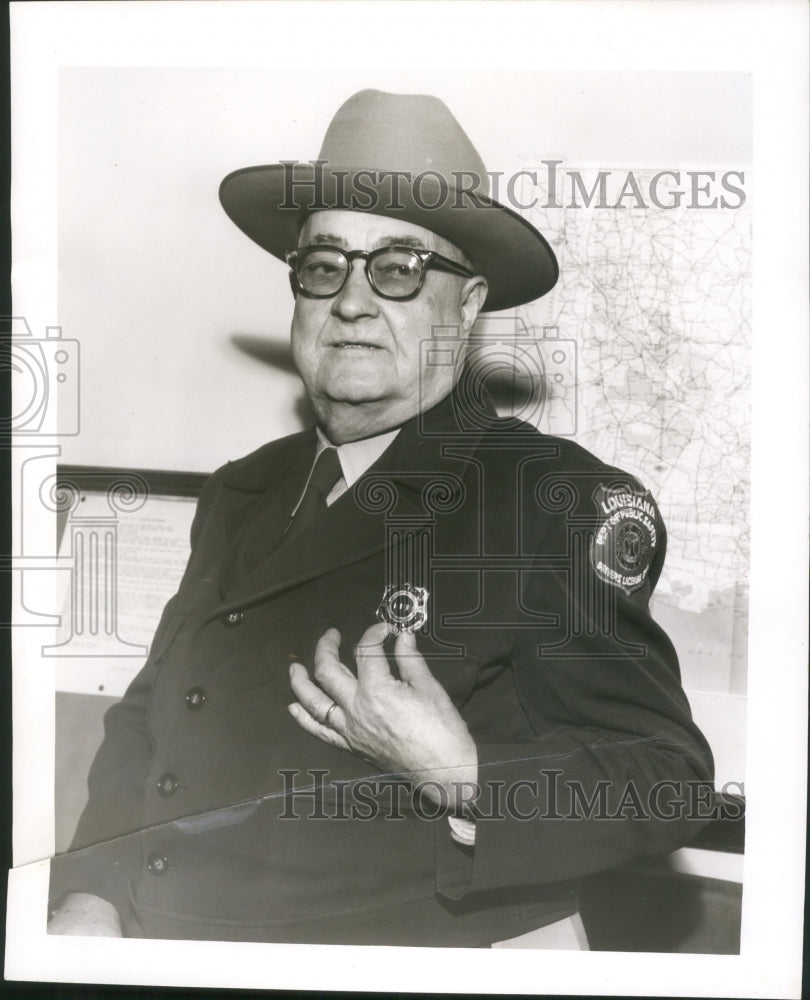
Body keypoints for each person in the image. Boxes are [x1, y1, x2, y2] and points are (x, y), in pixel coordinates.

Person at [48, 89, 713, 947]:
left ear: (467, 307)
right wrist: (94, 893)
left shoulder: (548, 501)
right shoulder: (242, 491)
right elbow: (150, 720)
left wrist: (464, 774)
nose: (352, 302)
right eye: (326, 265)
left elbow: (668, 779)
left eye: (397, 267)